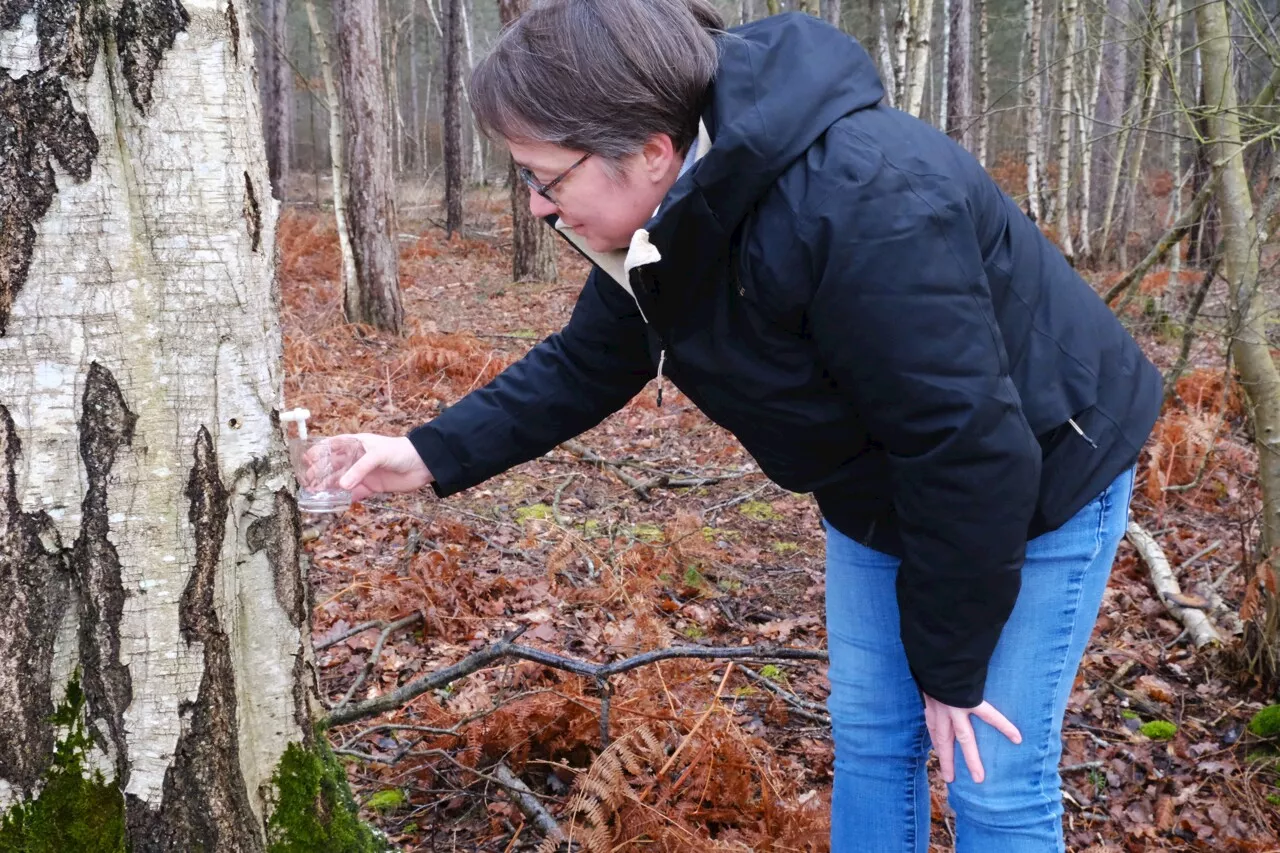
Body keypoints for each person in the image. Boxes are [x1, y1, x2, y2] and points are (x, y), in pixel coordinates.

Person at [331, 2, 1163, 850]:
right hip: (881, 485)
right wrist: (424, 454)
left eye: (549, 178)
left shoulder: (863, 199)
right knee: (875, 742)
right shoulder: (677, 214)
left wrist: (950, 666)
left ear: (653, 152)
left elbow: (968, 446)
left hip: (1045, 470)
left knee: (989, 771)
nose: (539, 208)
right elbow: (590, 360)